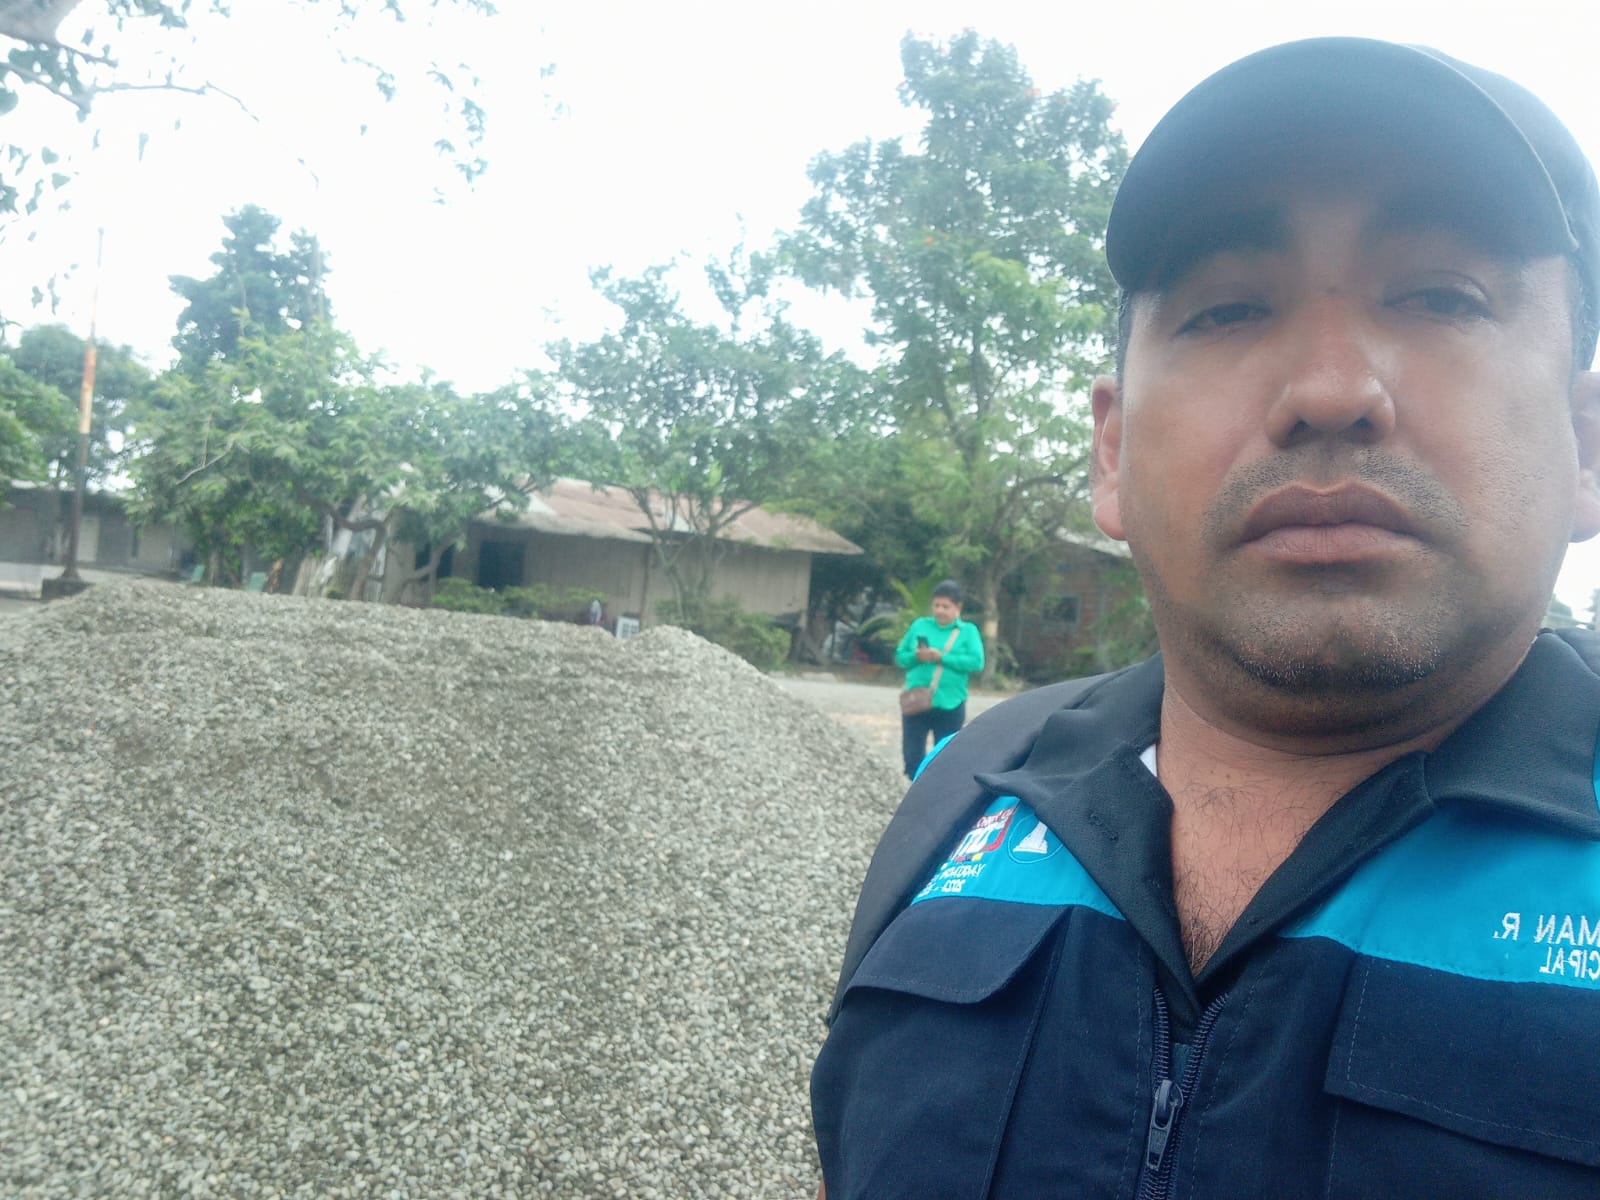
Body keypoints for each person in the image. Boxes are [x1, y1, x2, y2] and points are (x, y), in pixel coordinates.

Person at [812, 37, 1600, 1199]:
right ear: (1112, 449)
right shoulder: (963, 803)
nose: (1328, 392)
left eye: (1441, 295)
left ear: (1585, 444)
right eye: (1227, 308)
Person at [893, 579, 985, 779]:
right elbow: (900, 657)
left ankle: (936, 792)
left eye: (945, 606)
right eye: (936, 605)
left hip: (950, 702)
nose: (940, 610)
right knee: (912, 756)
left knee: (945, 758)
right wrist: (916, 656)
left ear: (958, 607)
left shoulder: (967, 631)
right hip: (916, 701)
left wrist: (941, 657)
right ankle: (915, 788)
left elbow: (976, 662)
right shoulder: (920, 625)